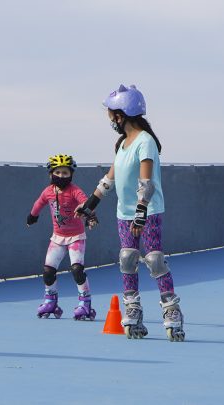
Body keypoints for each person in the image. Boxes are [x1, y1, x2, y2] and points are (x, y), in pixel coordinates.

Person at [77, 85, 185, 341]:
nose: (110, 119)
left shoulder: (145, 142)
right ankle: (133, 310)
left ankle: (172, 312)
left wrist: (140, 213)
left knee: (155, 261)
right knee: (127, 259)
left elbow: (145, 183)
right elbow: (110, 178)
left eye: (111, 113)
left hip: (147, 211)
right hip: (124, 213)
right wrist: (91, 202)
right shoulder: (123, 144)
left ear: (122, 114)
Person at [28, 154, 98, 321]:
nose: (61, 176)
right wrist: (32, 216)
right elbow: (39, 203)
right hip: (57, 238)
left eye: (65, 173)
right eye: (58, 172)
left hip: (76, 237)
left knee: (76, 270)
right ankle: (50, 301)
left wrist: (90, 217)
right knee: (48, 271)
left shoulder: (74, 190)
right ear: (51, 174)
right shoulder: (48, 192)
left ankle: (85, 303)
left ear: (71, 175)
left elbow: (86, 202)